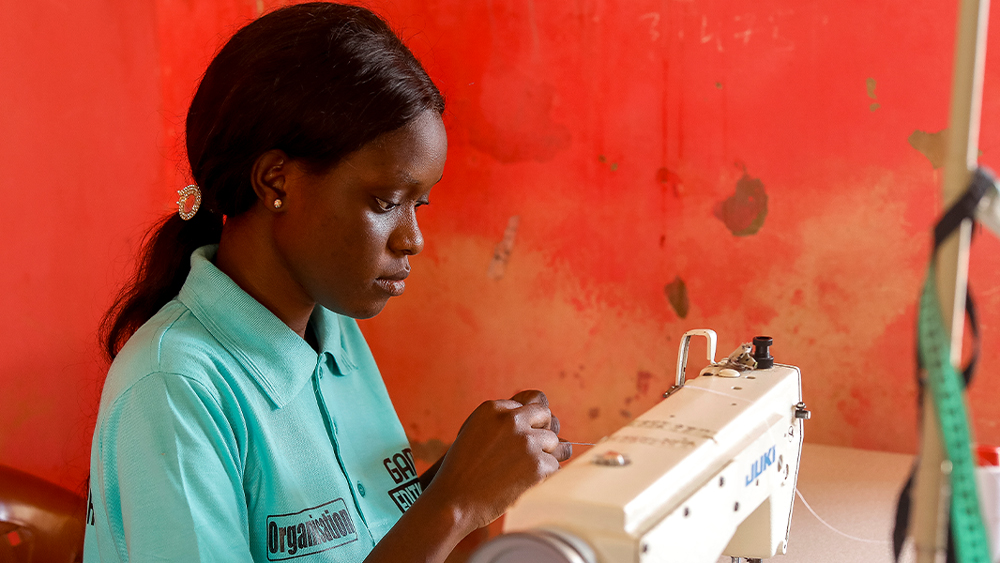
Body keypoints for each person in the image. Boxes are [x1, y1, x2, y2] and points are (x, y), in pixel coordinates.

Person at [84, 3, 571, 561]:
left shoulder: (333, 331)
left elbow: (368, 542)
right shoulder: (175, 387)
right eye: (385, 202)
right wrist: (454, 504)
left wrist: (472, 477)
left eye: (419, 205)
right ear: (277, 181)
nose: (413, 239)